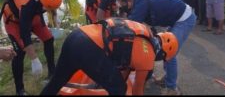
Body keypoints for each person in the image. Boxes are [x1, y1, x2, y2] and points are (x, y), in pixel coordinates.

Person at [40, 17, 179, 95]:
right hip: (89, 47)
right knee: (119, 89)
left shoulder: (144, 32)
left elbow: (124, 69)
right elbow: (137, 90)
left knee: (56, 82)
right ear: (162, 54)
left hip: (77, 35)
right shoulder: (148, 57)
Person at [115, 0, 196, 95]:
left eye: (123, 3)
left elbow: (129, 28)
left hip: (184, 18)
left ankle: (172, 89)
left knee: (169, 52)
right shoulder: (138, 0)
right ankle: (168, 78)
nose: (122, 6)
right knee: (165, 49)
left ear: (129, 0)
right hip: (177, 16)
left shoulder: (140, 5)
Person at [0, 0, 63, 95]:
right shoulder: (27, 4)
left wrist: (55, 17)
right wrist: (34, 60)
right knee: (19, 51)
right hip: (14, 21)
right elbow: (25, 34)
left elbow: (53, 2)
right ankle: (20, 90)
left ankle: (52, 75)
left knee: (49, 39)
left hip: (34, 16)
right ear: (41, 0)